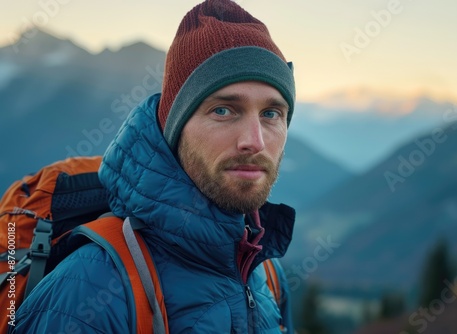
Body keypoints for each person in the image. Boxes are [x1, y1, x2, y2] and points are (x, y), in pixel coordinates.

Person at [13, 0, 296, 332]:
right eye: (223, 110)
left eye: (271, 113)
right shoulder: (89, 293)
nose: (255, 141)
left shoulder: (265, 272)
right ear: (173, 130)